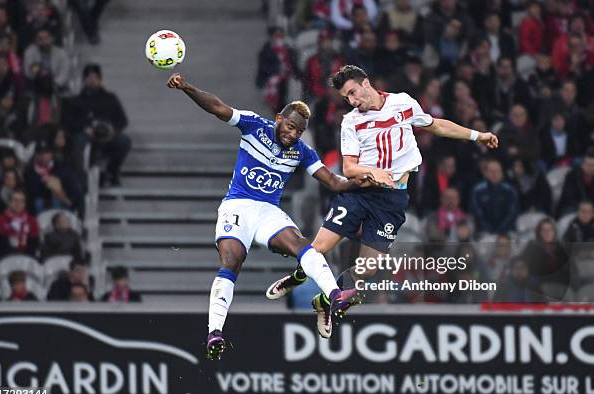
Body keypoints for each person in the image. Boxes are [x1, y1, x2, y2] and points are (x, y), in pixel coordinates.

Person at [266, 65, 498, 337]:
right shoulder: (352, 121)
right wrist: (372, 172)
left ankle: (326, 302)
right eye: (346, 97)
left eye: (353, 92)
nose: (352, 101)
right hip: (359, 193)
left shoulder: (402, 103)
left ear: (366, 83)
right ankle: (296, 278)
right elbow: (349, 167)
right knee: (319, 247)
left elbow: (436, 126)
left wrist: (477, 135)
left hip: (392, 200)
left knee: (368, 268)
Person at [166, 71, 371, 360]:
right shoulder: (253, 126)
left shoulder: (301, 151)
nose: (292, 134)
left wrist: (356, 182)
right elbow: (217, 107)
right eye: (289, 126)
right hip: (237, 206)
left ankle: (335, 295)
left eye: (298, 131)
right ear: (278, 118)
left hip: (267, 212)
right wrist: (187, 86)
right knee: (232, 262)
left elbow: (333, 182)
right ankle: (215, 332)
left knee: (303, 247)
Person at [0, 189, 39, 259]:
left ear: (25, 204)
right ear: (9, 202)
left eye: (22, 201)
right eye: (15, 200)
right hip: (6, 256)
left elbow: (35, 241)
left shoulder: (32, 220)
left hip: (28, 257)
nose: (18, 204)